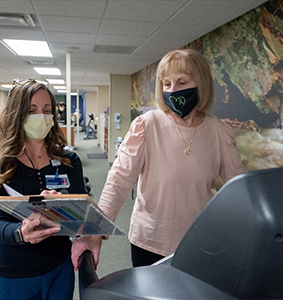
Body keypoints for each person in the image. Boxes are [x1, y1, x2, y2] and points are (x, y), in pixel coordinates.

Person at [71, 49, 246, 269]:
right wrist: (94, 230)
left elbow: (240, 189)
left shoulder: (219, 131)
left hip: (199, 242)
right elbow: (118, 182)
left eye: (182, 82)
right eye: (166, 84)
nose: (173, 91)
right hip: (150, 243)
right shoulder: (146, 125)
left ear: (201, 84)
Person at [0, 79, 86, 300]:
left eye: (47, 110)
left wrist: (62, 208)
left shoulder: (69, 161)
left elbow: (81, 216)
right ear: (17, 114)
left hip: (59, 268)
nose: (41, 117)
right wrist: (21, 232)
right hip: (12, 273)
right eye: (32, 110)